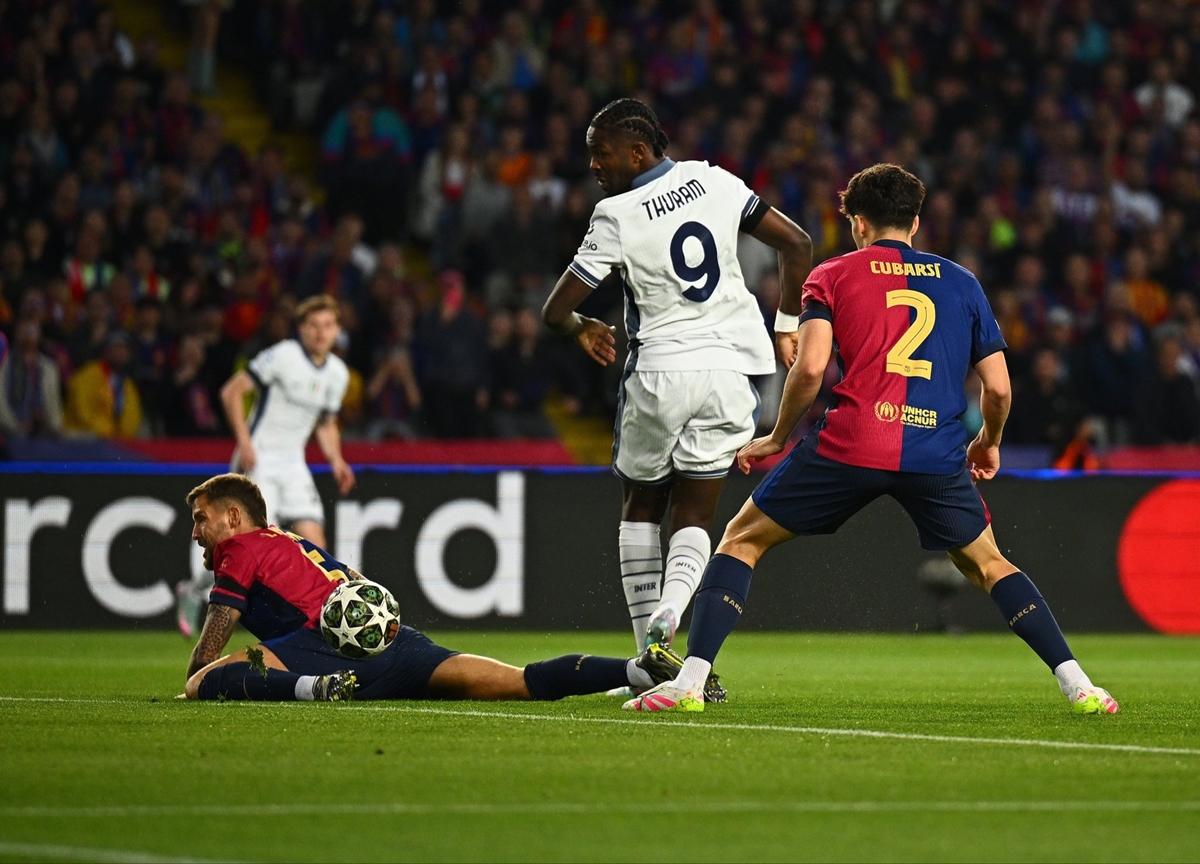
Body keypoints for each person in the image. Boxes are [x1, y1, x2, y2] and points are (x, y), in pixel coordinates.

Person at [624, 164, 1119, 716]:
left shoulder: (832, 274)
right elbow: (999, 388)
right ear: (915, 222)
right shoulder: (962, 282)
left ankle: (690, 681)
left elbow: (811, 368)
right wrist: (989, 441)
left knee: (740, 541)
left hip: (852, 442)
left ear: (858, 223)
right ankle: (1079, 685)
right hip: (933, 451)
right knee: (989, 564)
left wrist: (778, 436)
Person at [542, 98, 813, 664]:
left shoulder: (615, 214)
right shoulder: (714, 180)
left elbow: (554, 310)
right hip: (730, 373)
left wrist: (580, 326)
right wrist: (788, 324)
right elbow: (798, 244)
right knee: (696, 513)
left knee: (641, 506)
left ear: (638, 152)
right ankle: (675, 603)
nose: (594, 165)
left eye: (602, 153)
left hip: (661, 371)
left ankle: (647, 652)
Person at [181, 473, 691, 703]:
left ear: (234, 517)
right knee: (521, 682)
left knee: (202, 683)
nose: (197, 532)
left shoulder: (240, 549)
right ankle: (637, 669)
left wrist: (199, 672)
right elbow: (355, 582)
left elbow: (210, 645)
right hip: (395, 645)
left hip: (324, 650)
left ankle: (311, 688)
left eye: (202, 519)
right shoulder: (287, 541)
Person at [175, 295, 355, 637]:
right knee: (241, 543)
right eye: (313, 325)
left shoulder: (337, 373)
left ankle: (314, 627)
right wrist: (245, 442)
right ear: (301, 329)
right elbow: (231, 392)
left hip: (293, 463)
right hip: (259, 457)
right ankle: (195, 589)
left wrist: (337, 460)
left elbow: (325, 423)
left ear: (337, 330)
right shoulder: (283, 356)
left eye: (328, 325)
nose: (321, 333)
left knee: (315, 543)